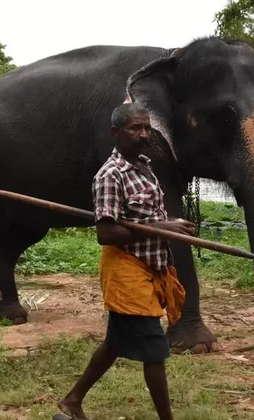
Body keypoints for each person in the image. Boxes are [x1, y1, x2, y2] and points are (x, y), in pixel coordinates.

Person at [54, 103, 196, 420]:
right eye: (135, 128)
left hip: (150, 266)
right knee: (156, 351)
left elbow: (142, 218)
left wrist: (169, 224)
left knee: (114, 343)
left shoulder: (144, 166)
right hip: (127, 270)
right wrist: (163, 228)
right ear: (116, 133)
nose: (144, 134)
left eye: (147, 128)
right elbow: (106, 232)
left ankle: (72, 402)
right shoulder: (110, 176)